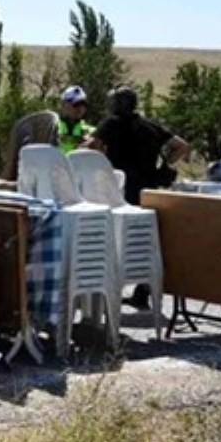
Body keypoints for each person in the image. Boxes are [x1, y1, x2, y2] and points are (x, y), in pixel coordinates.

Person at [88, 86, 189, 309]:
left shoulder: (111, 124)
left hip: (120, 192)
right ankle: (142, 292)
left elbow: (90, 147)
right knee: (143, 242)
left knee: (112, 241)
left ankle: (106, 291)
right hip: (148, 193)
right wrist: (166, 163)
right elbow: (181, 146)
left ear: (116, 105)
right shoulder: (150, 126)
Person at [55, 86, 94, 152]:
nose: (80, 108)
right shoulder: (53, 128)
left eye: (83, 104)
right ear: (63, 105)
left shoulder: (91, 132)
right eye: (76, 104)